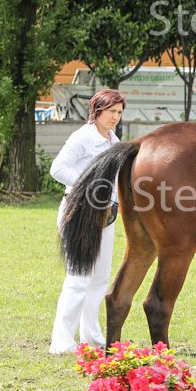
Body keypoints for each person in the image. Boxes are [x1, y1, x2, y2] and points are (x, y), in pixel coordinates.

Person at [48, 89, 125, 354]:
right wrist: (90, 188)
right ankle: (61, 342)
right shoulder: (82, 137)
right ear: (97, 110)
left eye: (119, 112)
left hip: (106, 215)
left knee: (100, 279)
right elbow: (57, 168)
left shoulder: (114, 141)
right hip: (79, 213)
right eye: (111, 111)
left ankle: (91, 337)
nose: (115, 117)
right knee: (79, 277)